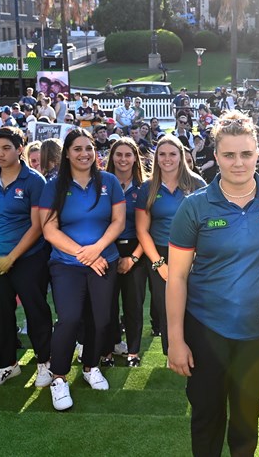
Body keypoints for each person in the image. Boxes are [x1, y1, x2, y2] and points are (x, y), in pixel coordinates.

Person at [166, 111, 259, 455]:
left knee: (246, 422)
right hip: (205, 328)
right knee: (206, 419)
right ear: (215, 157)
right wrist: (175, 340)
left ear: (258, 153)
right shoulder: (195, 206)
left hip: (258, 332)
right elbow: (178, 276)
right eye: (228, 155)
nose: (238, 163)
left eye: (246, 154)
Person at [39, 128, 126, 410]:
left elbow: (118, 222)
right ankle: (59, 377)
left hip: (104, 260)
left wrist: (96, 249)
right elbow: (49, 230)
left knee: (101, 320)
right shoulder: (53, 185)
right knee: (70, 319)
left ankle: (90, 366)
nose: (84, 154)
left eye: (89, 148)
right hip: (66, 265)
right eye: (77, 148)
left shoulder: (109, 181)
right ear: (67, 153)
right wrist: (84, 254)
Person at [0, 126, 53, 387]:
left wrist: (12, 257)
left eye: (6, 148)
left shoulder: (34, 181)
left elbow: (37, 226)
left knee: (36, 310)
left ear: (20, 149)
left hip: (29, 258)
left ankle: (45, 363)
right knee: (0, 312)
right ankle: (7, 364)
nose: (0, 153)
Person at [136, 135, 206, 360]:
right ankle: (172, 353)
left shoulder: (197, 184)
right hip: (160, 254)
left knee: (195, 303)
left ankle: (198, 349)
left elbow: (206, 223)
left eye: (172, 154)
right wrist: (158, 263)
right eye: (162, 154)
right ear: (156, 158)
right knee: (166, 306)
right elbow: (142, 230)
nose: (167, 159)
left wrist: (198, 255)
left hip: (194, 253)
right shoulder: (147, 188)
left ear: (181, 156)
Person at [106, 138, 149, 367]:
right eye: (118, 154)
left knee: (133, 304)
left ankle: (133, 351)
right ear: (112, 157)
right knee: (108, 304)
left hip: (136, 251)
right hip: (108, 250)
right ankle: (110, 348)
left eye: (128, 155)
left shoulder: (144, 188)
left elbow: (147, 228)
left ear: (135, 158)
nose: (123, 159)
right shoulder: (101, 185)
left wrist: (132, 258)